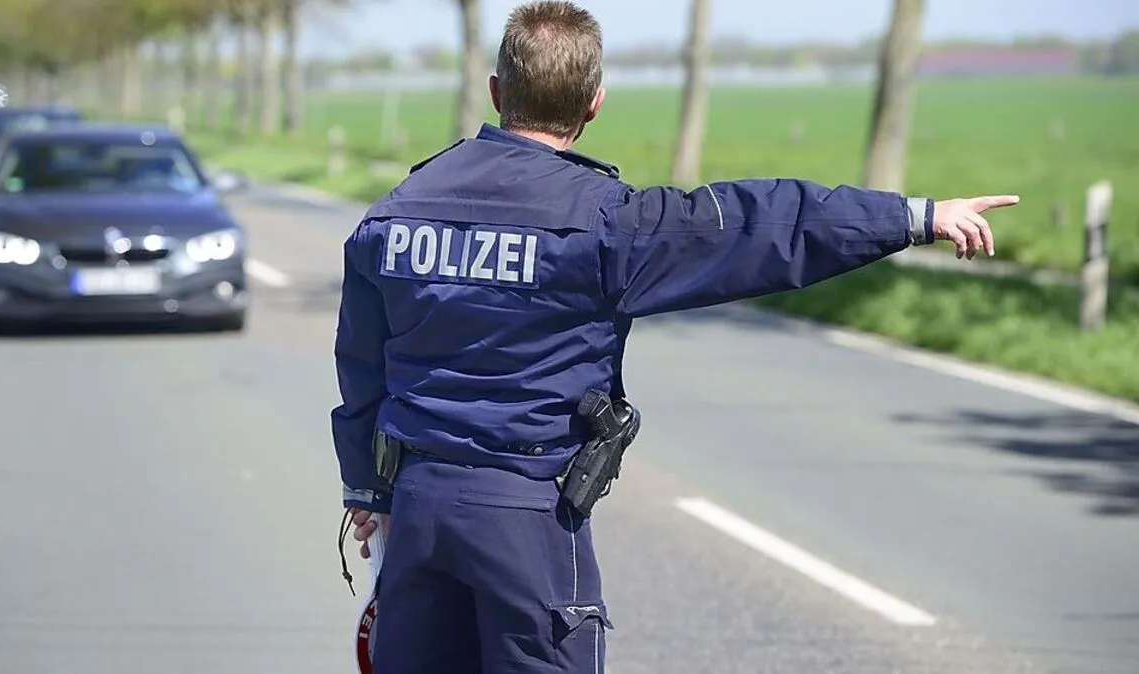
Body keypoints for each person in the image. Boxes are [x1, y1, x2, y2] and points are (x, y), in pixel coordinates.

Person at [331, 2, 1019, 672]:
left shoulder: (396, 211)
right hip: (526, 520)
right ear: (594, 103)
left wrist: (366, 489)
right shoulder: (606, 223)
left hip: (416, 513)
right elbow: (759, 224)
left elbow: (361, 364)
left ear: (496, 91)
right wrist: (915, 216)